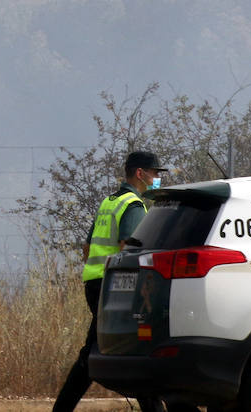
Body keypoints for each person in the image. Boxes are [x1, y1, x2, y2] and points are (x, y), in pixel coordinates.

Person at [52, 150, 167, 412]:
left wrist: (99, 269)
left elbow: (86, 248)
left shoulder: (109, 202)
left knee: (117, 350)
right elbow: (128, 247)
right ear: (140, 173)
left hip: (95, 282)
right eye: (155, 173)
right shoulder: (134, 205)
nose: (157, 178)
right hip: (115, 287)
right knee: (112, 352)